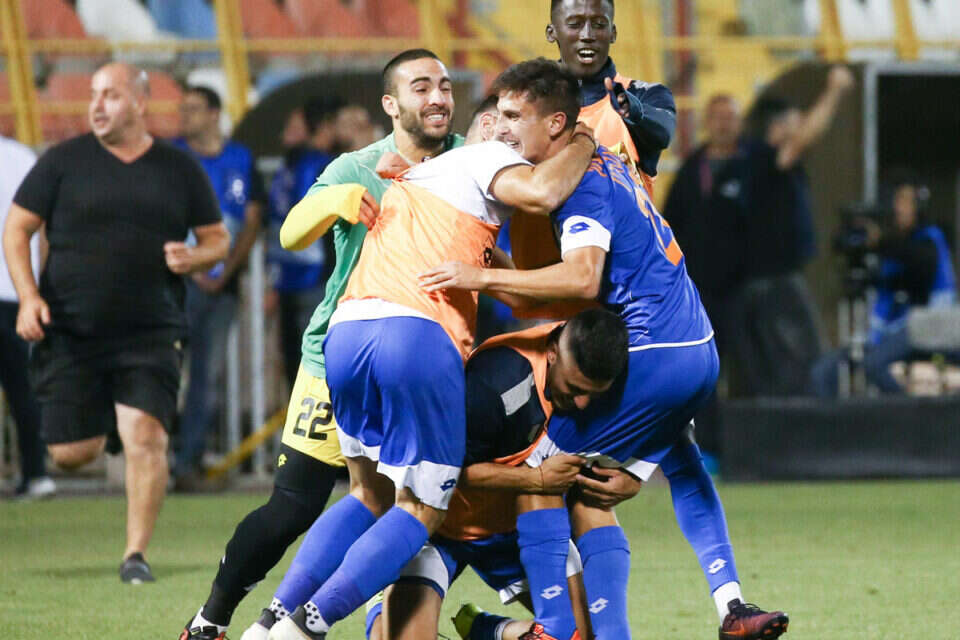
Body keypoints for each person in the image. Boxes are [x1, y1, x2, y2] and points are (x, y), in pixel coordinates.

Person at [421, 58, 788, 640]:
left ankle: (556, 627)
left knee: (546, 471)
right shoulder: (607, 164)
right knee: (676, 465)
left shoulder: (582, 186)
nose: (503, 127)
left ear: (555, 123)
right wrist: (496, 267)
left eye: (514, 116)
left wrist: (479, 276)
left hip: (648, 352)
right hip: (696, 350)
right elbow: (558, 291)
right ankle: (731, 604)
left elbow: (582, 277)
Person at [261, 57, 597, 640]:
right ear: (486, 127)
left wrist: (494, 278)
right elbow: (544, 192)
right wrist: (585, 139)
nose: (515, 135)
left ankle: (269, 621)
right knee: (421, 508)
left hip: (347, 335)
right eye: (505, 119)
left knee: (369, 494)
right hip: (415, 338)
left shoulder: (424, 176)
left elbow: (517, 290)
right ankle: (306, 627)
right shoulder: (486, 157)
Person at [179, 49, 467, 640]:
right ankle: (211, 619)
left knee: (411, 501)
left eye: (443, 85)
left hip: (430, 355)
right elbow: (290, 231)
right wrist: (335, 201)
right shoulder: (355, 167)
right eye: (420, 87)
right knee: (295, 506)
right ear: (391, 105)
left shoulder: (470, 158)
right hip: (340, 357)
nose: (438, 97)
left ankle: (295, 622)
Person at [3, 62, 228, 583]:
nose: (97, 105)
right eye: (93, 94)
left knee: (146, 436)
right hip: (72, 331)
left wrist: (195, 257)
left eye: (110, 95)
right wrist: (28, 298)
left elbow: (216, 238)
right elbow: (16, 228)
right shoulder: (62, 162)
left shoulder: (178, 168)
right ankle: (105, 420)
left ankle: (135, 556)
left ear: (139, 103)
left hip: (152, 331)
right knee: (69, 453)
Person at [364, 308, 632, 640]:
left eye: (593, 393)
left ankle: (487, 629)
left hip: (512, 533)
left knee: (577, 636)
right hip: (438, 525)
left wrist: (633, 476)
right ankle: (381, 603)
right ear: (552, 352)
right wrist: (536, 479)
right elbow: (443, 470)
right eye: (574, 388)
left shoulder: (605, 376)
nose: (582, 403)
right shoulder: (496, 382)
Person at [509, 0, 676, 273]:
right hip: (541, 284)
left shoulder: (642, 96)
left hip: (622, 287)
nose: (587, 34)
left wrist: (634, 112)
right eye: (575, 24)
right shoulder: (521, 105)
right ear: (552, 32)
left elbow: (662, 133)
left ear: (613, 32)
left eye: (599, 24)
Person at [728, 66, 854, 397]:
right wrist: (835, 90)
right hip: (773, 283)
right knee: (804, 362)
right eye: (797, 122)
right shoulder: (763, 157)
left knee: (785, 364)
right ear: (778, 128)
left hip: (770, 281)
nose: (804, 129)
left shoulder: (765, 161)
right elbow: (802, 141)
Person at [172, 85, 266, 487]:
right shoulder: (172, 156)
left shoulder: (242, 158)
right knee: (164, 373)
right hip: (176, 284)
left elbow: (252, 220)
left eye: (193, 109)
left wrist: (224, 271)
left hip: (222, 287)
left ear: (214, 113)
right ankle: (152, 459)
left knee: (207, 379)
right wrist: (193, 265)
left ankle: (186, 464)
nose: (184, 116)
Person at [811, 174, 958, 396]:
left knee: (873, 365)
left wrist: (880, 242)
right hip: (887, 330)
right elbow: (883, 281)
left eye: (906, 201)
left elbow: (921, 262)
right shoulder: (891, 245)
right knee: (822, 372)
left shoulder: (930, 238)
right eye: (897, 201)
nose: (899, 208)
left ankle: (911, 411)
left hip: (927, 326)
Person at [662, 93, 747, 457]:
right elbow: (670, 226)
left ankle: (746, 450)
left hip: (743, 289)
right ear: (707, 123)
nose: (723, 124)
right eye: (717, 117)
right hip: (699, 291)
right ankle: (707, 448)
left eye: (730, 117)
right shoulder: (691, 169)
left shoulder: (752, 166)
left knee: (744, 368)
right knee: (703, 370)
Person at [266, 96, 342, 390]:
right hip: (317, 278)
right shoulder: (325, 166)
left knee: (297, 363)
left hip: (290, 275)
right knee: (317, 366)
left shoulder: (291, 164)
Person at [0, 134, 56, 500]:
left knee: (23, 389)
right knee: (23, 389)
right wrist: (38, 285)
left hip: (15, 290)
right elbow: (45, 227)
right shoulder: (21, 157)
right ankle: (36, 473)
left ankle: (35, 474)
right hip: (17, 290)